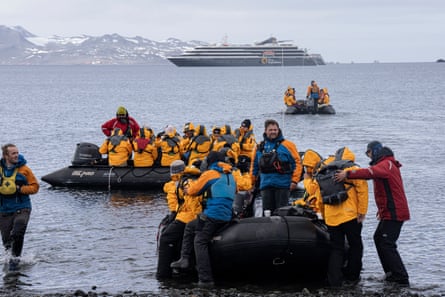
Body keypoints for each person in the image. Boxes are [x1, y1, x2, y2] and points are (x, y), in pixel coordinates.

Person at [335, 141, 410, 286]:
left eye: (368, 153)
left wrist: (348, 173)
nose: (368, 156)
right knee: (379, 238)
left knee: (387, 243)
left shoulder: (386, 164)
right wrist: (381, 210)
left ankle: (400, 277)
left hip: (395, 211)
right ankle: (391, 273)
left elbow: (370, 172)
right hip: (389, 211)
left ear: (374, 151)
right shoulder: (387, 163)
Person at [170, 151, 240, 287]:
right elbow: (235, 191)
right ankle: (184, 258)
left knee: (199, 241)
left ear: (210, 162)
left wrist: (187, 187)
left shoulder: (210, 174)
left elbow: (193, 190)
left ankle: (205, 279)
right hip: (227, 216)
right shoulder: (231, 176)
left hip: (213, 216)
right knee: (191, 226)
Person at [313, 147, 369, 287]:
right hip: (350, 215)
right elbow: (362, 191)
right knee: (356, 246)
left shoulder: (324, 170)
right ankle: (352, 277)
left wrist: (325, 217)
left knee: (336, 248)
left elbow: (319, 197)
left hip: (331, 218)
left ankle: (334, 280)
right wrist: (362, 212)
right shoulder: (352, 169)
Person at [156, 160, 202, 279]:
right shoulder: (194, 178)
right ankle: (182, 270)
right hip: (189, 215)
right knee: (179, 240)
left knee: (166, 237)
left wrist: (173, 214)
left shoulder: (181, 183)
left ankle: (163, 274)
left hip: (187, 216)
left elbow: (186, 203)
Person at [0, 144, 39, 271]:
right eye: (13, 153)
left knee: (17, 232)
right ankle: (10, 257)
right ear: (6, 155)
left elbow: (35, 187)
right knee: (6, 241)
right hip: (4, 210)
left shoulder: (24, 170)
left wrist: (19, 189)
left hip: (22, 207)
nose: (16, 155)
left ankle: (15, 260)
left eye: (17, 153)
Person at [252, 119, 302, 215]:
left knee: (282, 212)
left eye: (275, 130)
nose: (273, 132)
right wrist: (252, 182)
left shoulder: (288, 145)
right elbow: (254, 166)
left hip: (283, 185)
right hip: (266, 185)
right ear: (265, 131)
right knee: (267, 213)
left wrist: (294, 181)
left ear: (278, 130)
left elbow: (297, 163)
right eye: (270, 130)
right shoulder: (260, 147)